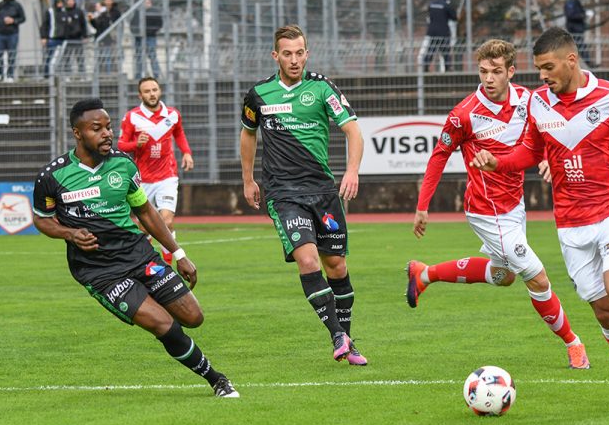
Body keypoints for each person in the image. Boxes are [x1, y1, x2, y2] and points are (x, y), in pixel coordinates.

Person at [470, 27, 609, 411]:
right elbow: (530, 151)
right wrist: (500, 162)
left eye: (548, 67)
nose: (542, 76)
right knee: (604, 311)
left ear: (570, 60)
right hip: (571, 221)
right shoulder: (539, 103)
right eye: (539, 69)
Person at [32, 98, 238, 398]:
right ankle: (216, 378)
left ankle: (156, 307)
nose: (106, 134)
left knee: (193, 317)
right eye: (96, 128)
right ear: (77, 133)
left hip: (139, 255)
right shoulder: (52, 176)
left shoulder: (123, 165)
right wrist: (70, 234)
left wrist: (179, 253)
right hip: (99, 270)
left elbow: (146, 213)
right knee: (163, 323)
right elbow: (42, 220)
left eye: (108, 127)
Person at [407, 39, 590, 370]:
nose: (488, 78)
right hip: (486, 212)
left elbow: (546, 135)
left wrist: (548, 158)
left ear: (511, 71)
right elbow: (439, 157)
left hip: (514, 208)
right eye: (482, 72)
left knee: (504, 276)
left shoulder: (528, 100)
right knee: (537, 278)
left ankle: (425, 274)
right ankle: (573, 343)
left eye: (495, 72)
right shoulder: (464, 115)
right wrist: (423, 205)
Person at [240, 24, 367, 365]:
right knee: (308, 259)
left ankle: (348, 339)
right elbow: (248, 134)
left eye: (299, 53)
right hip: (283, 193)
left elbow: (353, 131)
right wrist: (248, 178)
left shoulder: (322, 87)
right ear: (275, 55)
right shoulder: (259, 94)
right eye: (287, 54)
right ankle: (337, 335)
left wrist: (352, 170)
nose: (294, 60)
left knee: (336, 265)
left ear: (306, 54)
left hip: (323, 190)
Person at [118, 76, 193, 265]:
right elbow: (121, 145)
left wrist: (186, 152)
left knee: (166, 221)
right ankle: (148, 258)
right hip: (142, 179)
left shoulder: (172, 115)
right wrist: (136, 144)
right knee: (144, 227)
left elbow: (179, 133)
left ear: (159, 91)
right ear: (140, 95)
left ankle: (167, 266)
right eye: (147, 91)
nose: (152, 94)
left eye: (154, 90)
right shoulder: (132, 117)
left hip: (167, 176)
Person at [423, 0, 457, 73]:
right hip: (443, 32)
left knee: (431, 50)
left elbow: (430, 15)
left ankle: (425, 66)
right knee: (445, 51)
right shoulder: (446, 5)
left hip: (432, 31)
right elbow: (454, 17)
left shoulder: (431, 4)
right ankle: (448, 68)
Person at [0, 0, 26, 83]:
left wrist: (13, 21)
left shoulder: (17, 6)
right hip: (0, 34)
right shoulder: (0, 6)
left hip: (12, 34)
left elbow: (23, 18)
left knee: (12, 55)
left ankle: (10, 75)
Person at [88, 0, 121, 74]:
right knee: (100, 58)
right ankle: (101, 74)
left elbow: (114, 23)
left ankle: (109, 74)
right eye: (106, 0)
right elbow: (97, 25)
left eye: (109, 0)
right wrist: (92, 20)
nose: (107, 2)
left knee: (110, 58)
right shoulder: (102, 12)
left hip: (110, 38)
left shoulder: (115, 12)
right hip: (101, 38)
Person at [131, 0, 163, 79]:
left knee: (152, 56)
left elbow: (159, 24)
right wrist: (136, 32)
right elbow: (133, 23)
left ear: (150, 3)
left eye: (148, 2)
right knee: (139, 57)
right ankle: (138, 76)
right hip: (139, 37)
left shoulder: (154, 12)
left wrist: (150, 31)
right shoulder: (137, 12)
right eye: (144, 2)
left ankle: (156, 75)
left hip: (150, 37)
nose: (146, 4)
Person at [564, 0, 592, 66]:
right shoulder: (572, 2)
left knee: (578, 45)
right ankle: (588, 62)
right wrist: (584, 15)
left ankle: (587, 62)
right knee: (579, 45)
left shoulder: (575, 2)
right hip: (575, 28)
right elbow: (571, 15)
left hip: (577, 27)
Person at [40, 0, 67, 78]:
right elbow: (44, 25)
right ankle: (47, 75)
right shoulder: (50, 11)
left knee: (63, 57)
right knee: (50, 56)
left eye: (61, 3)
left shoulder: (65, 12)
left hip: (63, 38)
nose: (60, 4)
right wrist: (44, 37)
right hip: (52, 38)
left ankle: (61, 74)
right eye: (58, 3)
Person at [64, 0, 88, 74]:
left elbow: (83, 24)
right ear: (66, 2)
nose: (70, 2)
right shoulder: (64, 12)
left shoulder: (79, 11)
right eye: (69, 1)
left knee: (80, 56)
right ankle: (68, 73)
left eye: (72, 0)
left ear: (74, 1)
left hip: (78, 38)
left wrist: (85, 36)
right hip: (67, 38)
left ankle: (82, 73)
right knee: (67, 57)